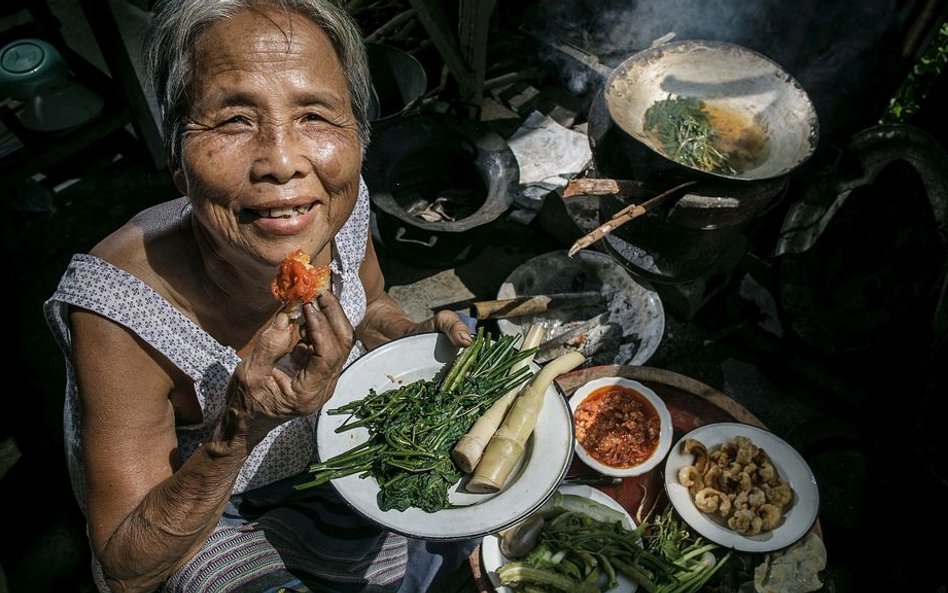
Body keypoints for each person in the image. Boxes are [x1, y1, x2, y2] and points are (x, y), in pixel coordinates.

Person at [43, 1, 477, 591]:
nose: (282, 162)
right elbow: (127, 569)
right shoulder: (120, 309)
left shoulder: (333, 202)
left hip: (336, 438)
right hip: (213, 500)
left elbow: (372, 303)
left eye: (316, 117)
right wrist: (240, 426)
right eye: (233, 120)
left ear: (357, 138)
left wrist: (404, 337)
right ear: (176, 160)